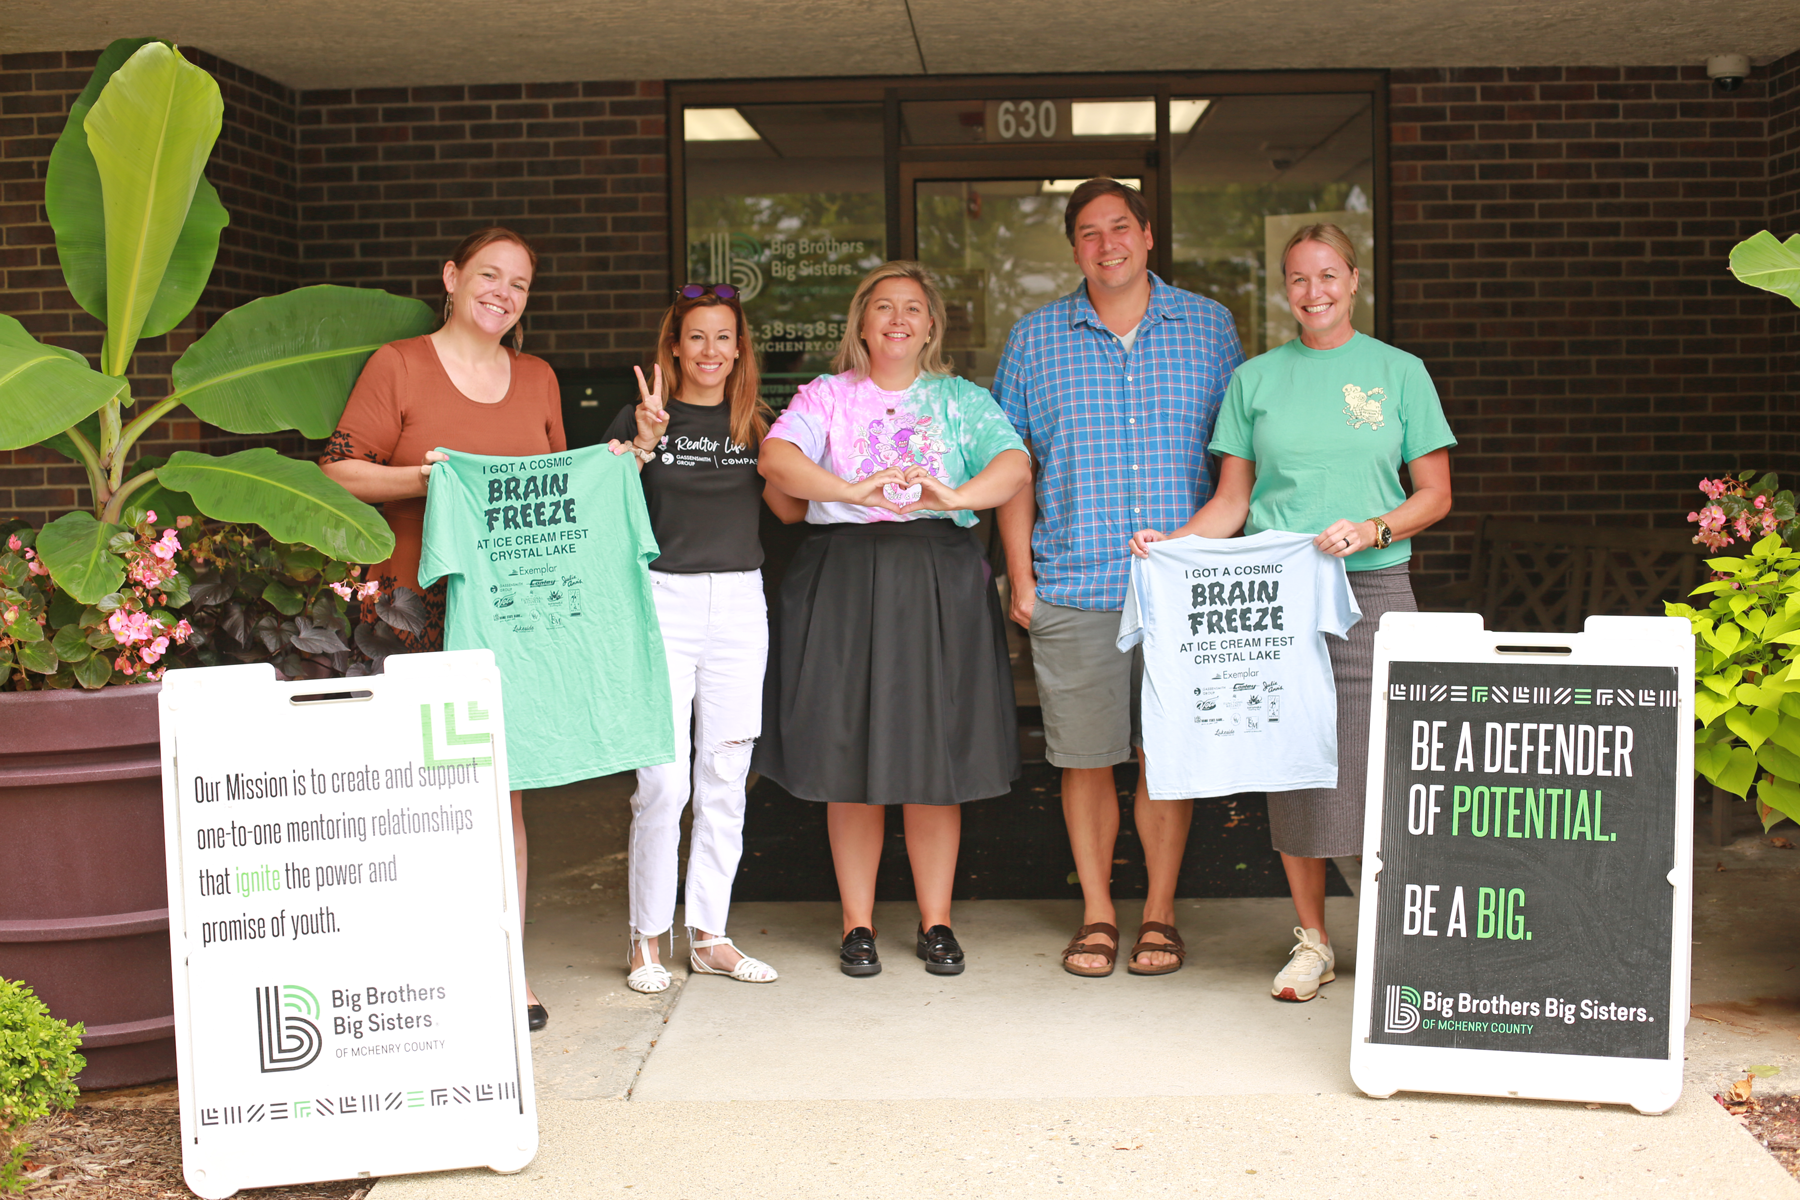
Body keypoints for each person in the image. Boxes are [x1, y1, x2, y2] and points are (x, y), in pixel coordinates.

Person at [1129, 222, 1455, 1001]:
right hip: (1279, 598)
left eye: (1328, 276)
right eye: (1299, 279)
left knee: (1389, 763)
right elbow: (1233, 501)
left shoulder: (1400, 372)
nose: (1315, 292)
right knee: (1297, 764)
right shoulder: (1255, 380)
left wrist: (1375, 526)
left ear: (1353, 279)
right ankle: (1312, 940)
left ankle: (1392, 931)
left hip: (1375, 588)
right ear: (1286, 289)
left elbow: (1436, 494)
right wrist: (1171, 546)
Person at [994, 179, 1244, 978]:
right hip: (1075, 582)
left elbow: (1235, 458)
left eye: (1120, 228)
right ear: (1074, 248)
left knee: (1167, 755)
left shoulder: (1208, 327)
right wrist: (1020, 578)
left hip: (1182, 588)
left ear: (1146, 234)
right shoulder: (1035, 339)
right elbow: (1014, 469)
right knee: (1085, 758)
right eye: (1089, 233)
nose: (1107, 245)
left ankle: (1161, 911)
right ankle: (1099, 912)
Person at [756, 261, 1031, 977]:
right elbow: (777, 459)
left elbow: (1014, 466)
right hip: (844, 577)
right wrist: (848, 487)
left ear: (932, 326)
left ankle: (936, 922)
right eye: (883, 307)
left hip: (937, 575)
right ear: (862, 322)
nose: (898, 319)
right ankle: (859, 925)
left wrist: (950, 495)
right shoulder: (825, 396)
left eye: (913, 308)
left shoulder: (961, 399)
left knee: (932, 757)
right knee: (849, 755)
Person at [321, 226, 562, 1030]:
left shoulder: (537, 379)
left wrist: (635, 452)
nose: (503, 292)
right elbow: (340, 471)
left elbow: (556, 493)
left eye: (519, 284)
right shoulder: (400, 365)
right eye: (489, 275)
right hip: (408, 614)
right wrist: (425, 477)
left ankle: (506, 971)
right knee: (416, 799)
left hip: (507, 615)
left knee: (504, 799)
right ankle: (417, 977)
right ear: (453, 278)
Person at [602, 284, 805, 994]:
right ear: (675, 347)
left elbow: (789, 507)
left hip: (740, 604)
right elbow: (602, 503)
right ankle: (647, 939)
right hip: (664, 601)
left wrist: (825, 453)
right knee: (662, 780)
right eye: (697, 337)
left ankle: (710, 935)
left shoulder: (758, 422)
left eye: (724, 337)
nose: (711, 351)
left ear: (739, 348)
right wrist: (644, 444)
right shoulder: (642, 416)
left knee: (724, 775)